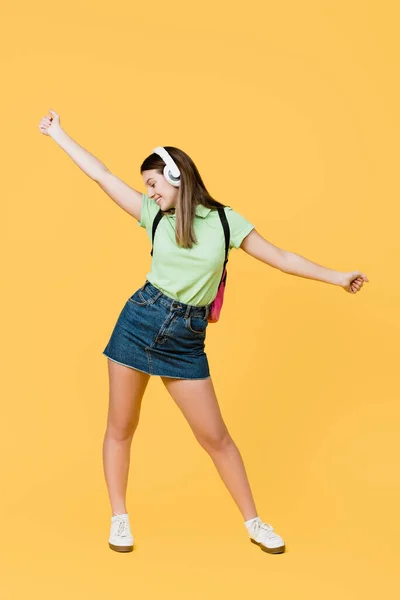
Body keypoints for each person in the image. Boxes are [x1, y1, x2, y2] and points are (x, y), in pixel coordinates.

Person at [38, 109, 369, 555]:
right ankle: (119, 518)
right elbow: (101, 174)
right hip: (138, 322)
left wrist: (337, 276)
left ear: (177, 176)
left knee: (216, 438)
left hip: (186, 340)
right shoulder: (150, 214)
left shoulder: (226, 222)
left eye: (154, 183)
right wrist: (59, 135)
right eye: (147, 187)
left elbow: (283, 257)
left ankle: (254, 523)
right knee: (121, 426)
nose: (150, 193)